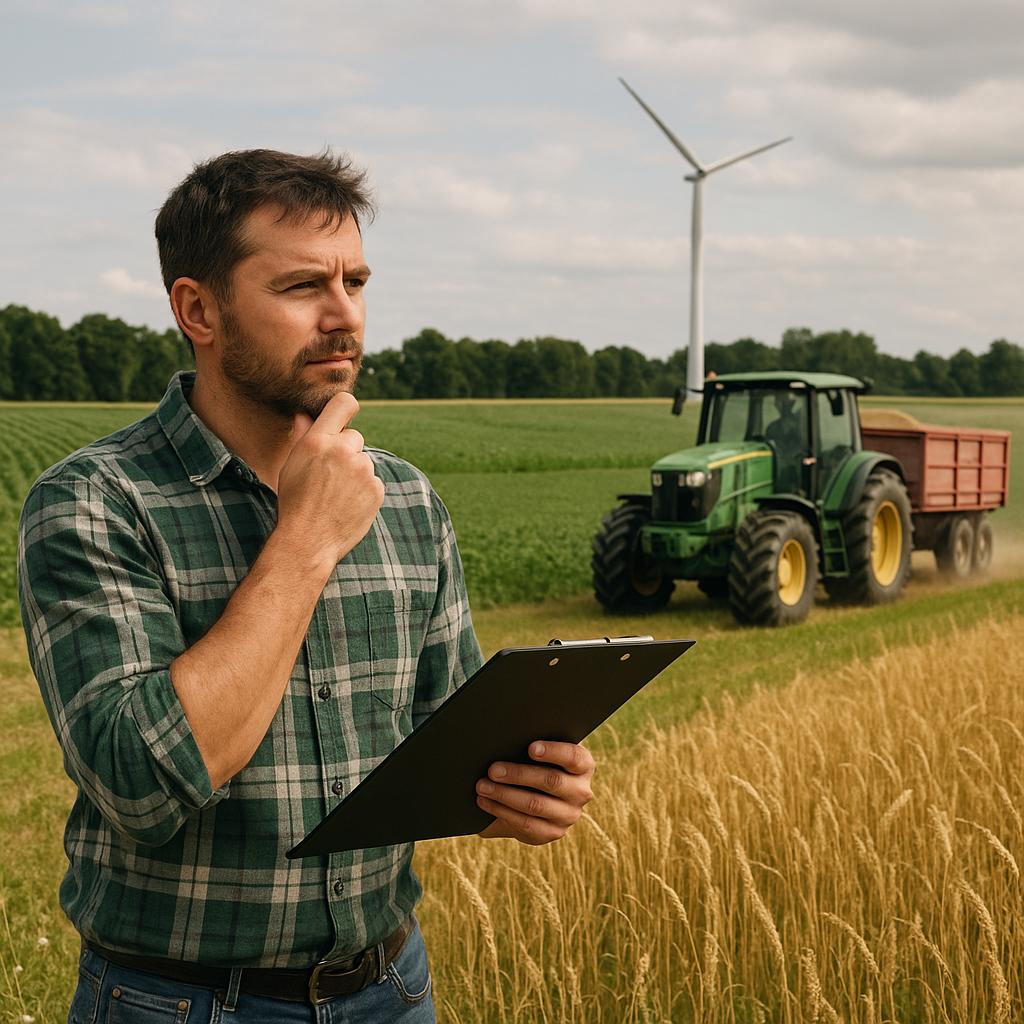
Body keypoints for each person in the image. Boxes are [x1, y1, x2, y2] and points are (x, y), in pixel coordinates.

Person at [17, 148, 596, 1023]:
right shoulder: (95, 502)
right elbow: (139, 784)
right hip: (178, 1004)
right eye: (299, 288)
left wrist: (517, 787)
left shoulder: (403, 498)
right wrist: (305, 542)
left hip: (392, 990)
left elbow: (444, 745)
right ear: (198, 309)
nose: (343, 318)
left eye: (355, 282)